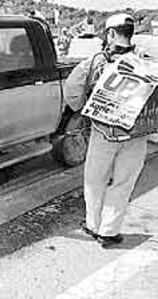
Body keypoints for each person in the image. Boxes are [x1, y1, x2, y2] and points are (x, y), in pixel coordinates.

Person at [64, 13, 151, 248]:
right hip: (136, 134)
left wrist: (84, 108)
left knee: (94, 180)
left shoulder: (94, 63)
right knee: (124, 182)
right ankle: (109, 232)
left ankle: (93, 225)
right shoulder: (147, 62)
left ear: (111, 34)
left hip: (103, 133)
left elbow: (72, 90)